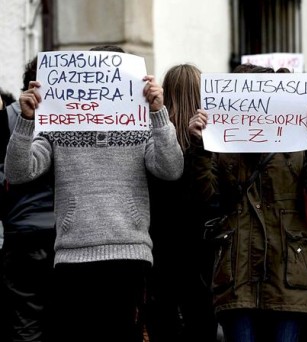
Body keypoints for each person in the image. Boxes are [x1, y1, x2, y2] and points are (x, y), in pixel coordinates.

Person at [4, 45, 184, 342]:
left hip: (129, 251)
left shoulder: (141, 123)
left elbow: (171, 168)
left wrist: (158, 114)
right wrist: (26, 121)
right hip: (73, 256)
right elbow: (19, 172)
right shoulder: (60, 124)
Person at [187, 64, 307, 342]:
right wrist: (199, 145)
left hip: (288, 273)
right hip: (238, 273)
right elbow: (205, 197)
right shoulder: (222, 146)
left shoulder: (296, 141)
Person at [144, 63, 219, 342]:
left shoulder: (155, 134)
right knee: (201, 319)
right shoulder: (213, 138)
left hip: (160, 242)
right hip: (202, 245)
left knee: (162, 319)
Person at [0, 57, 56, 342]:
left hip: (21, 232)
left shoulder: (8, 116)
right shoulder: (70, 119)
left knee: (26, 325)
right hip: (65, 236)